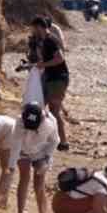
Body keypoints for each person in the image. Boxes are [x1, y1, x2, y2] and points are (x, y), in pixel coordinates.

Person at [26, 17, 72, 151]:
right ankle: (49, 139)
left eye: (34, 28)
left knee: (54, 111)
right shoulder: (42, 42)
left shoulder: (50, 40)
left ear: (39, 27)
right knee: (42, 107)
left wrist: (43, 64)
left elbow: (59, 58)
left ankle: (63, 141)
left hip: (58, 78)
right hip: (49, 77)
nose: (33, 31)